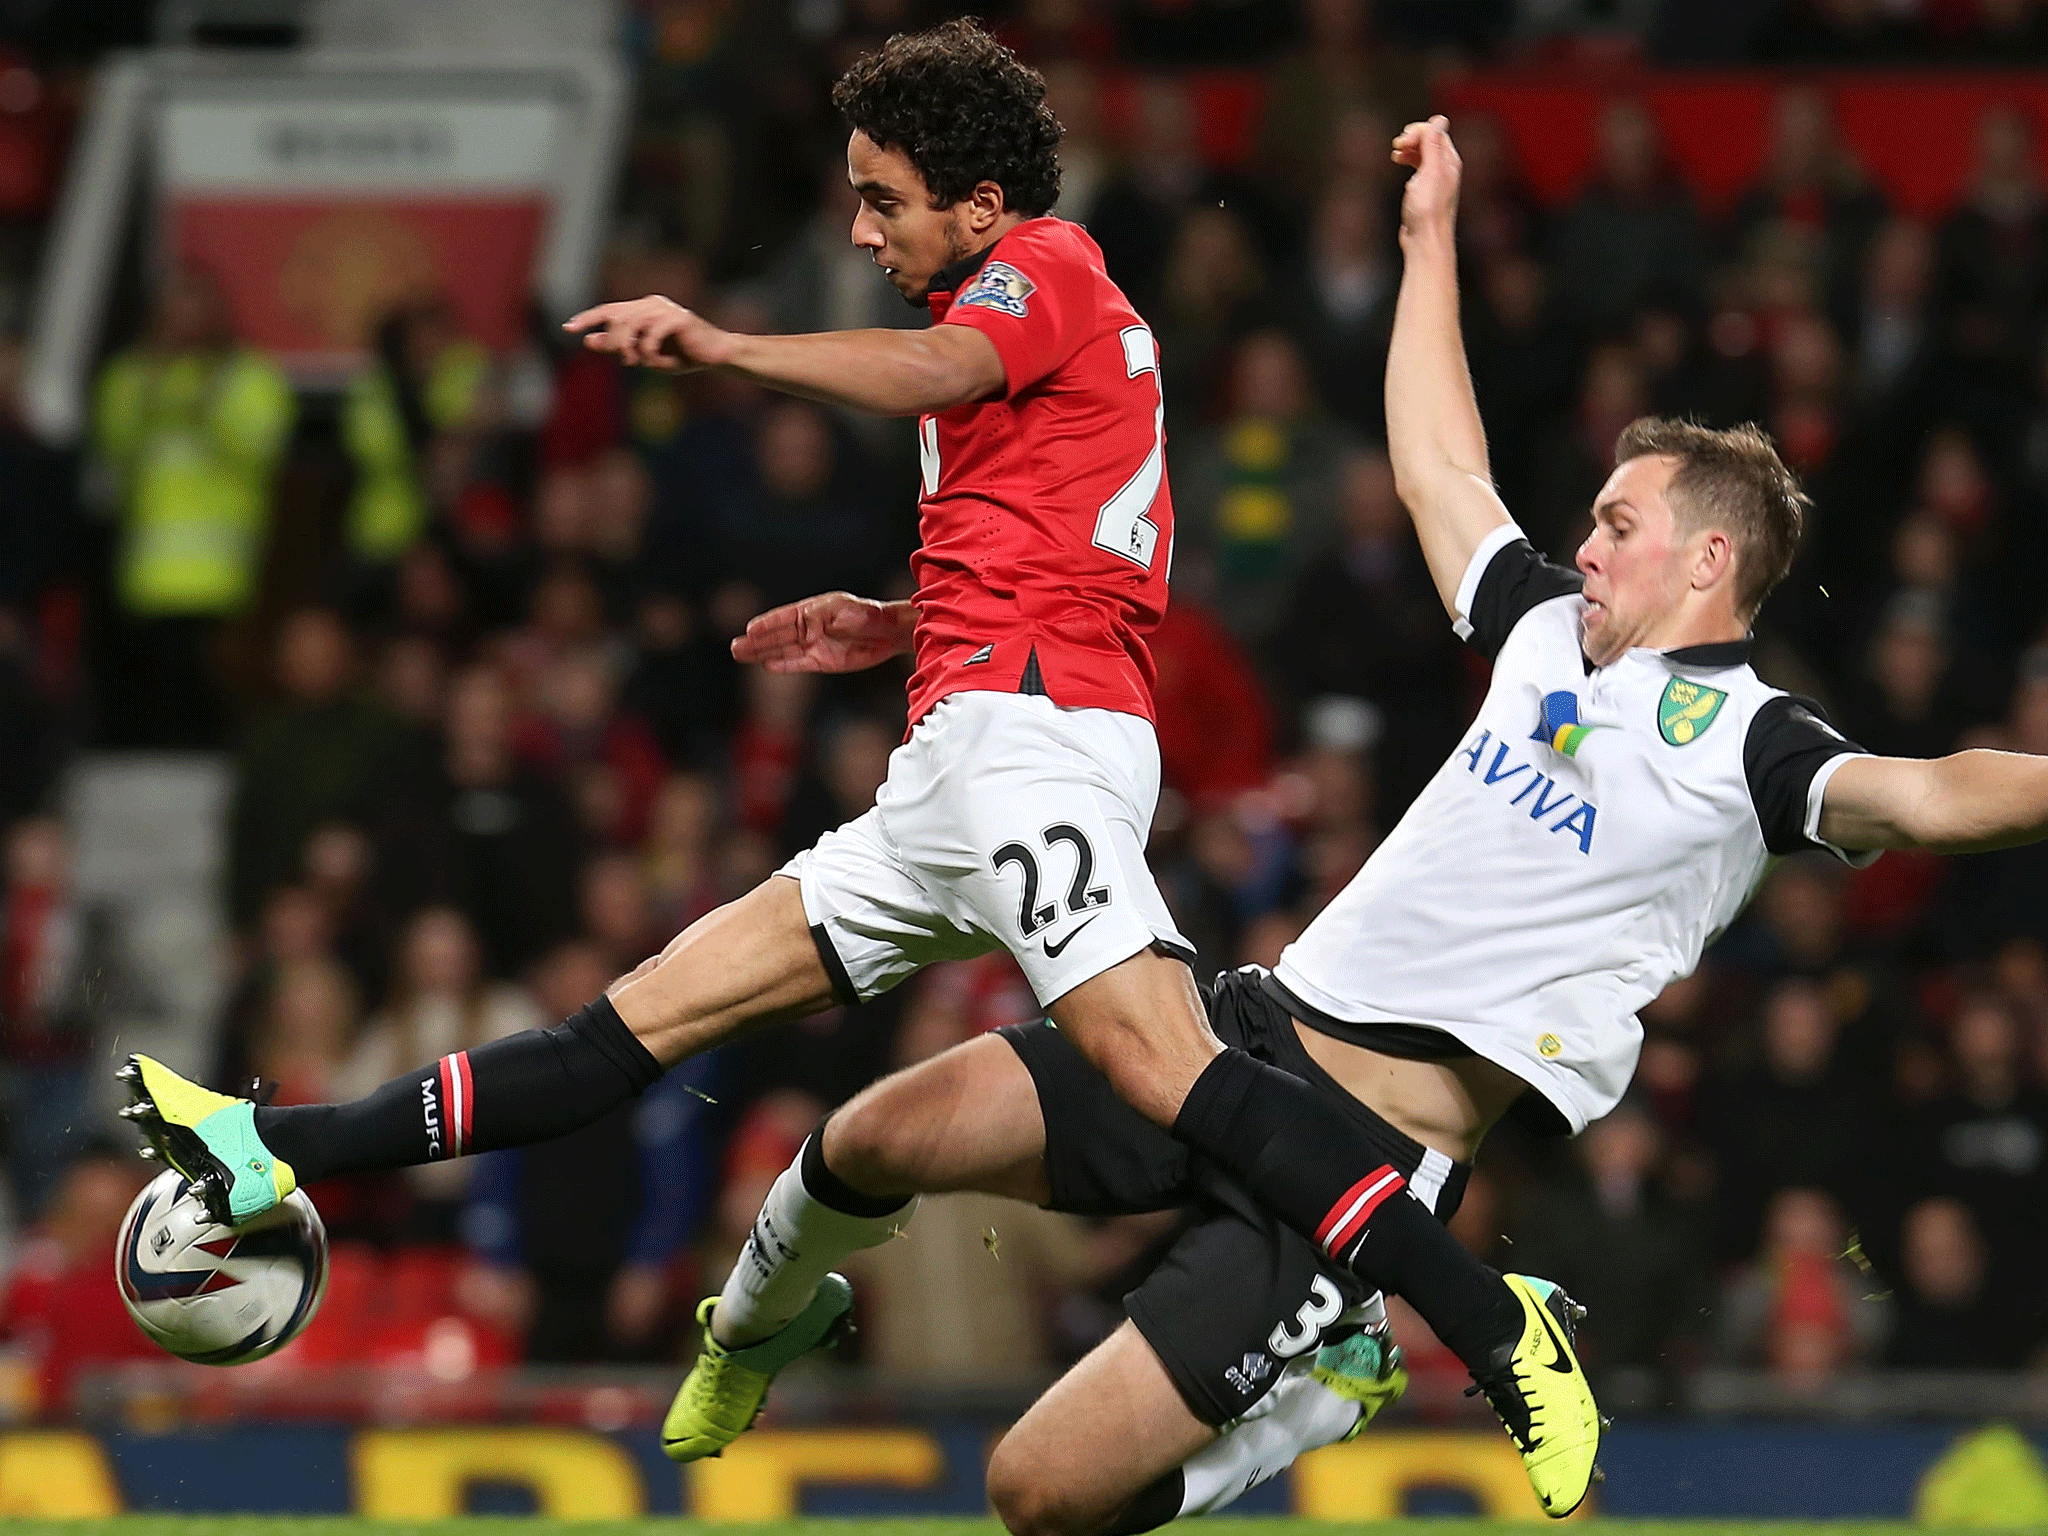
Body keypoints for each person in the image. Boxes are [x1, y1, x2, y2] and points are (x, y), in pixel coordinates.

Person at [116, 31, 1594, 1515]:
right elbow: (1075, 530)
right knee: (626, 1030)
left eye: (884, 200)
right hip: (953, 759)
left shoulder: (1050, 267)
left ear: (982, 205)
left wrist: (726, 343)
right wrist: (902, 620)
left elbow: (943, 370)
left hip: (1040, 745)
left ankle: (1483, 1319)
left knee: (1167, 1069)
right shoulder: (1028, 333)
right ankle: (269, 1149)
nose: (861, 230)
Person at [657, 113, 2048, 1532]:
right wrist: (1429, 238)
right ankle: (746, 1336)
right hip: (1235, 1044)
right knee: (878, 1135)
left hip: (1373, 1152)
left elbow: (1935, 792)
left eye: (1619, 523)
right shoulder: (1547, 638)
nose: (1587, 542)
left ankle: (1326, 1389)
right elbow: (1439, 468)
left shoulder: (1753, 740)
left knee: (1037, 1494)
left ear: (1708, 557)